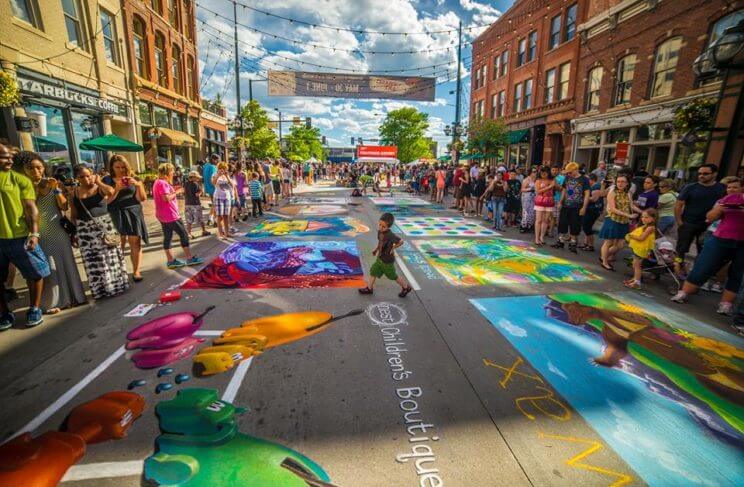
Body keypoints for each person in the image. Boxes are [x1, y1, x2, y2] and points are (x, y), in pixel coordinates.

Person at [18, 151, 86, 313]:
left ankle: (73, 297)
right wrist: (34, 188)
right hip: (40, 231)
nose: (36, 171)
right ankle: (53, 302)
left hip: (57, 229)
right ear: (25, 170)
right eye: (31, 168)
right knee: (48, 266)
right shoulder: (24, 187)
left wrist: (56, 189)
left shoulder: (54, 184)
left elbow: (64, 207)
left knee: (65, 261)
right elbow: (27, 210)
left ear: (44, 168)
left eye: (39, 168)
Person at [671, 177, 743, 315]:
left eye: (735, 187)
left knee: (736, 273)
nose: (731, 190)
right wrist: (721, 206)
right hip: (720, 238)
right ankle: (684, 293)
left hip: (741, 242)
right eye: (729, 187)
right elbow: (710, 217)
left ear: (742, 188)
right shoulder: (723, 201)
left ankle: (725, 304)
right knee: (704, 265)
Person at [0, 144, 50, 329]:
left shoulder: (20, 180)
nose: (9, 160)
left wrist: (34, 233)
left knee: (35, 273)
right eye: (4, 157)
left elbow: (31, 208)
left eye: (10, 157)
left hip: (20, 236)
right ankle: (4, 312)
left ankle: (34, 308)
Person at [69, 164, 130, 300]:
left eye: (88, 175)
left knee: (110, 257)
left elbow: (111, 192)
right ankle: (100, 290)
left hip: (104, 226)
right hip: (85, 230)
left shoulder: (99, 188)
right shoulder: (74, 193)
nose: (86, 179)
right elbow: (73, 213)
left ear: (93, 174)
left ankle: (115, 286)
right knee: (93, 261)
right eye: (82, 177)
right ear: (77, 178)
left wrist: (99, 181)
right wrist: (74, 233)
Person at [674, 164, 726, 274]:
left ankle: (696, 273)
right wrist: (679, 222)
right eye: (700, 173)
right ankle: (677, 270)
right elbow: (678, 204)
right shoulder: (690, 187)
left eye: (705, 173)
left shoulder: (721, 188)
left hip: (708, 226)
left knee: (703, 251)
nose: (701, 176)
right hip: (688, 223)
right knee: (681, 250)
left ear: (714, 174)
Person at [103, 155, 148, 282]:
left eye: (123, 167)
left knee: (135, 243)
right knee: (118, 244)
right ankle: (119, 272)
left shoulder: (134, 178)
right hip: (115, 213)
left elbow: (142, 199)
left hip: (133, 212)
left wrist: (138, 186)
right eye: (117, 167)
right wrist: (116, 189)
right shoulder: (106, 180)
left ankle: (136, 271)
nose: (121, 170)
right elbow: (106, 201)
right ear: (112, 167)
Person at [152, 163, 204, 269]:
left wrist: (174, 190)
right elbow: (166, 198)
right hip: (170, 215)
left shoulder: (157, 182)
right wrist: (177, 192)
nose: (173, 173)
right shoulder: (162, 183)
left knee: (168, 237)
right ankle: (189, 258)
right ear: (167, 173)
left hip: (163, 215)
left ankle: (171, 260)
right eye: (171, 171)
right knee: (184, 234)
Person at [358, 213, 412, 297]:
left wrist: (393, 248)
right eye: (380, 225)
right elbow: (380, 242)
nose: (380, 227)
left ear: (389, 227)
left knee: (393, 276)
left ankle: (406, 287)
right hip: (380, 258)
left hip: (387, 261)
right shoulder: (380, 232)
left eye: (383, 226)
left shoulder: (391, 235)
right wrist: (376, 250)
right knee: (373, 271)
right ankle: (369, 288)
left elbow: (401, 241)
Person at [599, 174, 641, 271]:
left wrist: (642, 212)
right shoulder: (612, 192)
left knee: (620, 245)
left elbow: (631, 206)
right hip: (613, 219)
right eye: (618, 181)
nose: (620, 183)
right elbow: (613, 209)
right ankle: (605, 262)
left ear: (627, 183)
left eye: (623, 181)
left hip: (624, 221)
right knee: (608, 242)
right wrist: (629, 215)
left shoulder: (628, 193)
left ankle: (603, 256)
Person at [552, 162, 590, 253]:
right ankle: (560, 241)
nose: (569, 174)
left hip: (577, 206)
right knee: (562, 223)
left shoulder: (584, 179)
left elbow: (587, 194)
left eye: (570, 172)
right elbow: (564, 190)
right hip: (566, 205)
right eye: (568, 172)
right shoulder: (567, 177)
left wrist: (584, 207)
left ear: (575, 170)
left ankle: (573, 243)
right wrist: (560, 202)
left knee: (575, 225)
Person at [624, 209, 658, 290]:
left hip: (641, 250)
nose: (643, 219)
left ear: (653, 218)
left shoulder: (650, 228)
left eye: (646, 217)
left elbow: (641, 238)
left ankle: (637, 283)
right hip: (639, 249)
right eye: (642, 217)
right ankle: (635, 279)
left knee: (637, 266)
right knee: (635, 265)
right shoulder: (646, 226)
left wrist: (631, 236)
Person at [579, 173, 605, 252]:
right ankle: (586, 243)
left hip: (593, 210)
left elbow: (593, 199)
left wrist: (582, 196)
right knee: (586, 226)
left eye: (587, 180)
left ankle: (591, 245)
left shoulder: (596, 186)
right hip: (590, 209)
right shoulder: (591, 186)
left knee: (587, 227)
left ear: (591, 180)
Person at [184, 171, 211, 238]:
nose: (198, 179)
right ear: (193, 177)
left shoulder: (186, 184)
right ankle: (204, 230)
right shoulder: (195, 184)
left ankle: (189, 233)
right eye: (197, 177)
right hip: (195, 204)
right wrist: (201, 191)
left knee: (189, 220)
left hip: (187, 204)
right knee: (200, 218)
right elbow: (197, 194)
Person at [211, 162, 234, 239]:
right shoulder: (215, 174)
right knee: (219, 216)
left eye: (225, 169)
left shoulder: (226, 176)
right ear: (219, 169)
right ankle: (220, 233)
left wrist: (227, 176)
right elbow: (213, 183)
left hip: (227, 197)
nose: (224, 170)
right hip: (218, 197)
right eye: (222, 169)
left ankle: (227, 233)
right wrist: (218, 175)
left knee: (226, 216)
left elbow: (232, 185)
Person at [533, 166, 555, 246]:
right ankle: (536, 238)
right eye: (541, 173)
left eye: (545, 173)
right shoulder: (538, 180)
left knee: (546, 220)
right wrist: (549, 186)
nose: (543, 174)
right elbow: (537, 191)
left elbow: (559, 188)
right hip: (540, 201)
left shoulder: (552, 180)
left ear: (548, 173)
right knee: (538, 220)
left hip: (549, 201)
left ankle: (541, 237)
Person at [520, 167, 537, 233]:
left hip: (533, 198)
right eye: (534, 171)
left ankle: (529, 226)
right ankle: (523, 226)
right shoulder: (526, 180)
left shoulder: (536, 180)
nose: (535, 173)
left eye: (536, 171)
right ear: (530, 173)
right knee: (525, 211)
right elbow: (522, 189)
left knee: (532, 212)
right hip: (527, 197)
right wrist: (530, 189)